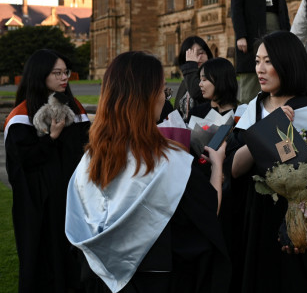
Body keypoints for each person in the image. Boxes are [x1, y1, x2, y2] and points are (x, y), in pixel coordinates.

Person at [65, 51, 230, 293]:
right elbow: (207, 213)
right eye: (162, 89)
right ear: (146, 97)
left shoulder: (90, 159)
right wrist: (217, 167)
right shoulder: (169, 161)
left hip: (98, 279)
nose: (164, 98)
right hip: (155, 281)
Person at [227, 31, 307, 293]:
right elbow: (233, 168)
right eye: (257, 61)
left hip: (294, 222)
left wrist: (302, 225)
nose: (260, 70)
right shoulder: (253, 107)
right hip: (255, 219)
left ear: (288, 63)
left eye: (268, 61)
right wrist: (267, 129)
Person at [3, 49, 90, 293]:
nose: (65, 78)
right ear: (41, 75)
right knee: (45, 264)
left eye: (66, 73)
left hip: (75, 201)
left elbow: (87, 149)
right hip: (40, 206)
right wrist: (51, 138)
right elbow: (22, 166)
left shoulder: (76, 109)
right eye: (57, 73)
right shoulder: (21, 116)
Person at [231, 0, 290, 105]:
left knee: (277, 73)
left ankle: (271, 118)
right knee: (251, 78)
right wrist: (240, 34)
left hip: (276, 27)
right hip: (252, 30)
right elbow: (236, 5)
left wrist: (287, 35)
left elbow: (283, 9)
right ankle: (243, 125)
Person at [173, 36, 213, 122]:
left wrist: (191, 66)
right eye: (192, 55)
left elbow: (197, 92)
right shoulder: (185, 81)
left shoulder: (213, 79)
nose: (196, 59)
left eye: (201, 53)